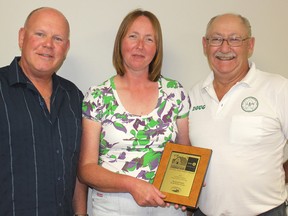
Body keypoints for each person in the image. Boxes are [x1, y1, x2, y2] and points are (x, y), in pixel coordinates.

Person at [78, 9, 191, 216]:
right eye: (133, 36)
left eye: (149, 39)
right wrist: (133, 185)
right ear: (120, 42)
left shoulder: (175, 92)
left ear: (157, 48)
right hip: (114, 205)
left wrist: (187, 195)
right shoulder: (98, 96)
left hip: (167, 205)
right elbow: (87, 169)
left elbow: (185, 153)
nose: (140, 46)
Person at [188, 13, 288, 216]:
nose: (224, 48)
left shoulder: (278, 88)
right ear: (205, 45)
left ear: (250, 45)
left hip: (265, 212)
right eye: (216, 39)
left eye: (234, 39)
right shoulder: (194, 94)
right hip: (204, 212)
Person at [0, 7, 88, 215]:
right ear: (22, 37)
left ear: (66, 47)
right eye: (40, 34)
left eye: (57, 39)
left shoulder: (74, 96)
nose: (48, 44)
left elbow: (77, 170)